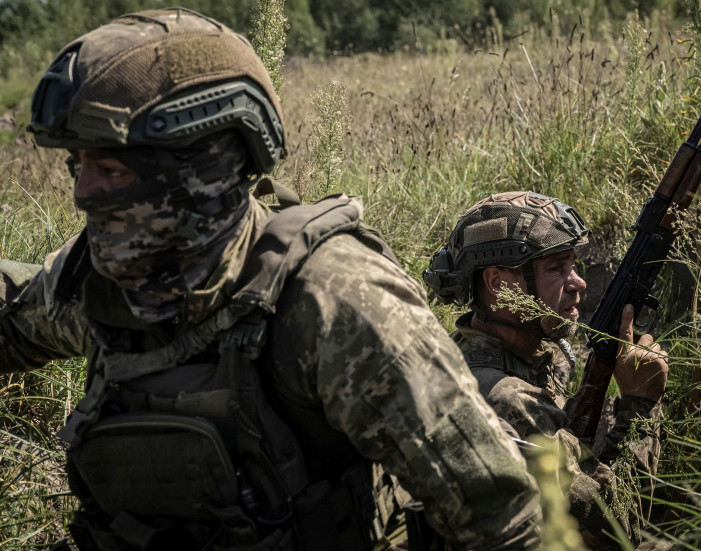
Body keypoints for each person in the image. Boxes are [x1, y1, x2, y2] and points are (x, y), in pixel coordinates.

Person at [1, 9, 543, 551]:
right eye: (79, 165)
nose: (83, 194)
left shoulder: (336, 302)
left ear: (208, 169)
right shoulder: (94, 282)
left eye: (113, 170)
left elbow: (501, 517)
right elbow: (12, 320)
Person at [423, 192, 669, 550]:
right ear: (497, 283)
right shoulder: (507, 399)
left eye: (572, 265)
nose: (578, 282)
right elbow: (623, 526)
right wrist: (640, 402)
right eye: (555, 268)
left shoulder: (473, 348)